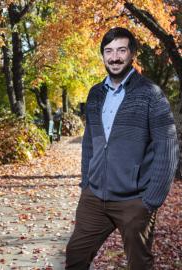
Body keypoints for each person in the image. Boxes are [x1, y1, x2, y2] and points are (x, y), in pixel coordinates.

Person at [65, 27, 179, 270]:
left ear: (132, 54)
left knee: (139, 264)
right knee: (75, 255)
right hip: (94, 197)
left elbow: (167, 147)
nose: (114, 57)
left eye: (120, 50)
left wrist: (151, 200)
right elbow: (89, 142)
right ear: (103, 55)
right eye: (108, 51)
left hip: (134, 201)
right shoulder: (95, 93)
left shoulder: (150, 94)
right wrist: (86, 182)